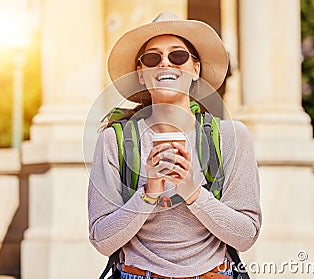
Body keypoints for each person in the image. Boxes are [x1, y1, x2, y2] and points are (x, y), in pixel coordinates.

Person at [88, 12, 261, 279]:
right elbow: (101, 239)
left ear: (195, 69)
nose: (165, 63)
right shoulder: (115, 140)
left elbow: (246, 235)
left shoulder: (232, 137)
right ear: (141, 74)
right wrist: (148, 194)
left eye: (178, 56)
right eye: (152, 58)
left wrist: (192, 191)